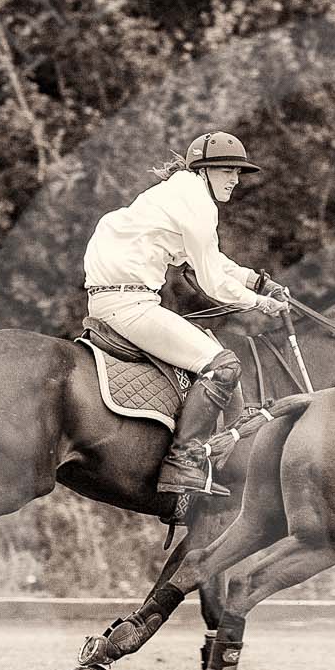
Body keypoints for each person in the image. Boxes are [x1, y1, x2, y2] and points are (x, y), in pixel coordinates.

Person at [83, 131, 290, 499]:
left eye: (238, 172)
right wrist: (261, 303)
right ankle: (183, 461)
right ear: (205, 170)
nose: (235, 179)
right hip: (130, 305)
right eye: (228, 170)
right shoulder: (197, 204)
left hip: (113, 299)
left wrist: (256, 280)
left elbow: (210, 260)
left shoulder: (176, 194)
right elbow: (210, 279)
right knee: (223, 365)